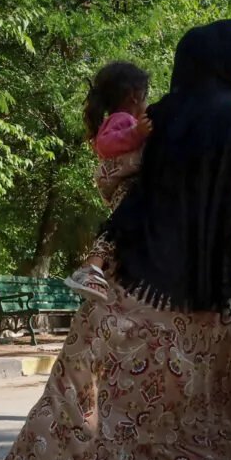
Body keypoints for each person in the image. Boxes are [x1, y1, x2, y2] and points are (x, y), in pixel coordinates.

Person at [0, 20, 231, 460]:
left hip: (123, 282)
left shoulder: (152, 119)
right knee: (202, 403)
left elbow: (108, 178)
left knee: (84, 397)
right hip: (201, 295)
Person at [65, 62, 153, 302]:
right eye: (147, 94)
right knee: (116, 229)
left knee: (120, 231)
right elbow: (105, 144)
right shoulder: (122, 119)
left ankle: (99, 270)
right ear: (135, 96)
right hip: (126, 189)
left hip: (129, 189)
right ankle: (91, 268)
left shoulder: (125, 120)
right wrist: (137, 134)